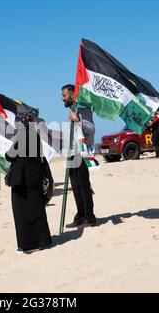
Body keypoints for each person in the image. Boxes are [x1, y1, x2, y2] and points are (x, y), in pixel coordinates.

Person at [5, 112, 52, 254]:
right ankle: (43, 240)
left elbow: (10, 156)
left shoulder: (21, 135)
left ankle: (27, 244)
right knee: (37, 208)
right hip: (35, 176)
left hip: (21, 178)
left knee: (21, 212)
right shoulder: (35, 134)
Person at [61, 84, 97, 228]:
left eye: (64, 95)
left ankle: (90, 217)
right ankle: (80, 215)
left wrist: (77, 121)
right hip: (72, 152)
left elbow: (91, 129)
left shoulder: (83, 108)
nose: (61, 98)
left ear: (72, 94)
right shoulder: (73, 109)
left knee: (83, 186)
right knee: (75, 186)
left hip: (82, 153)